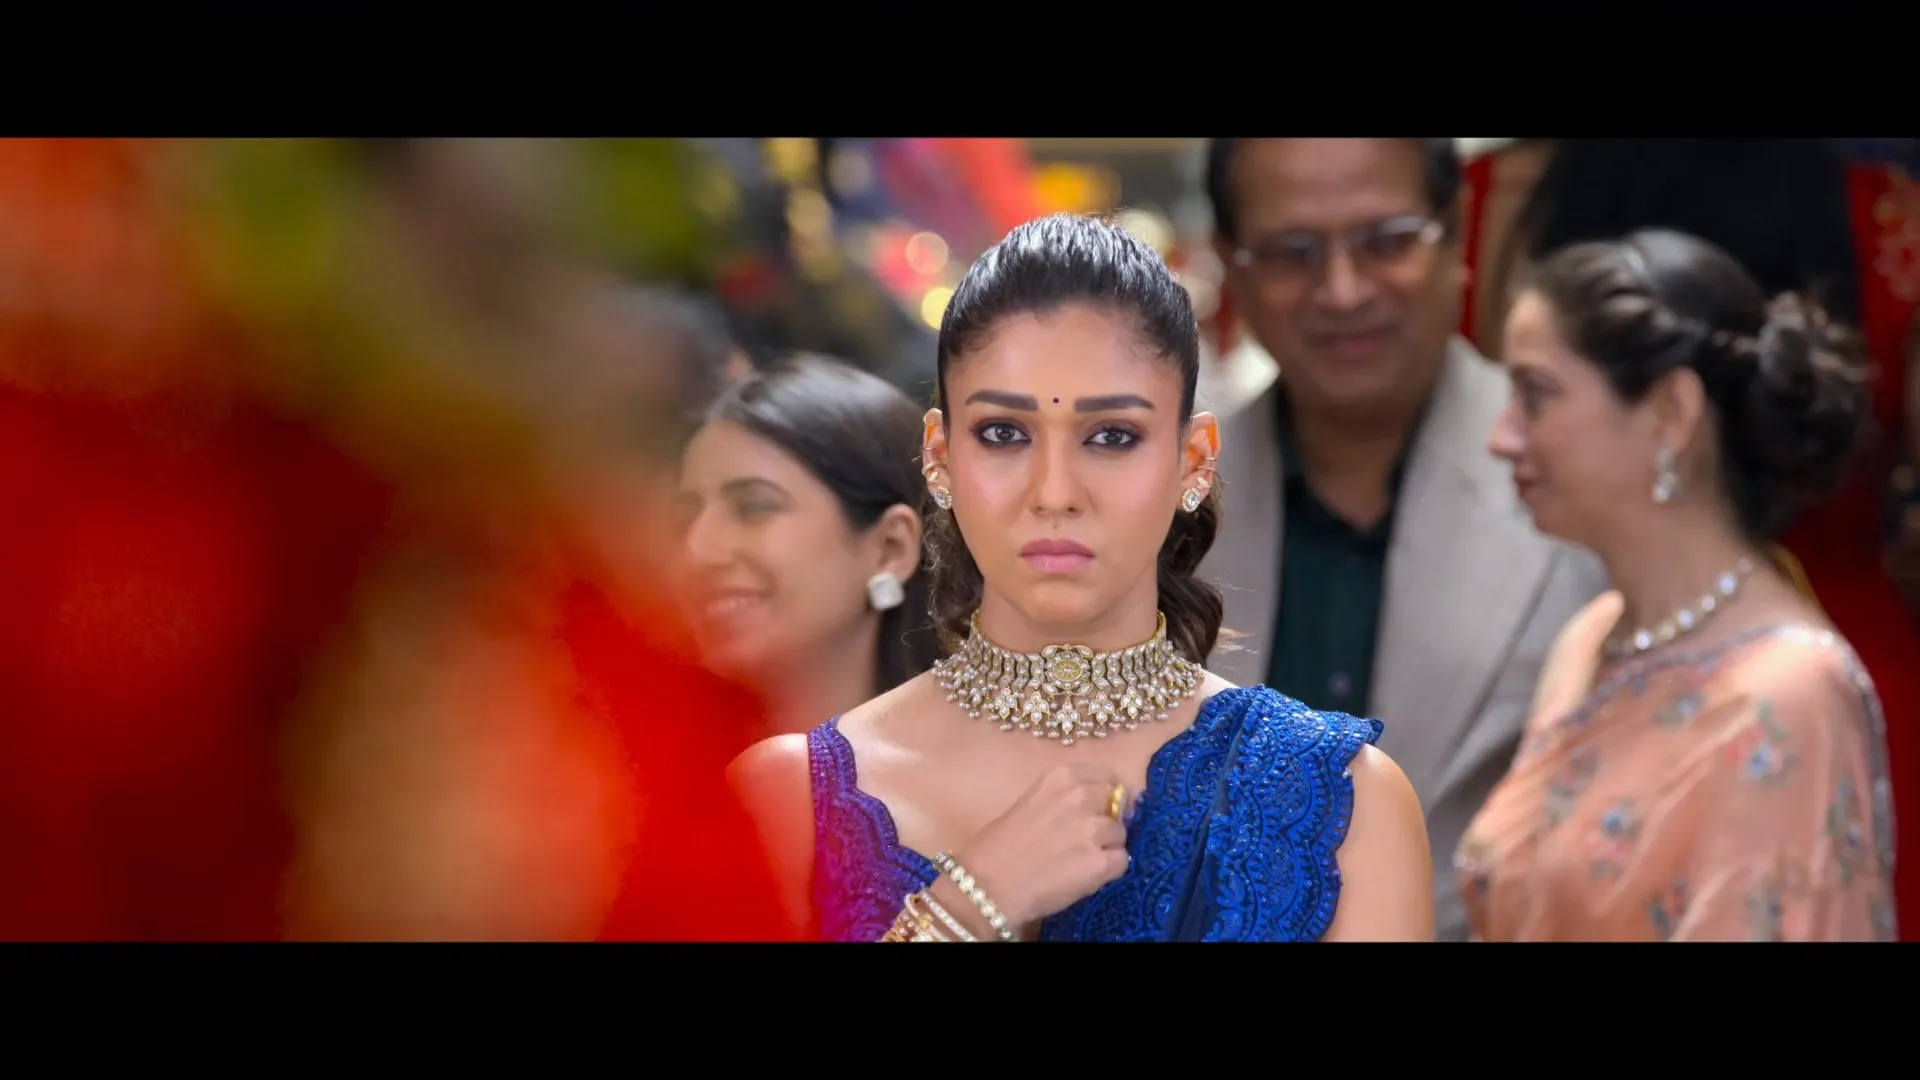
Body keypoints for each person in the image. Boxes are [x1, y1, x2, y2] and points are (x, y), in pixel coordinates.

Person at [729, 212, 1433, 943]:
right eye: (1004, 433)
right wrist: (968, 905)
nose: (1056, 492)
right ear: (940, 456)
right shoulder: (785, 805)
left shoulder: (1344, 804)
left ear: (1193, 461)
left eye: (1112, 436)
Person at [1473, 138, 1920, 936]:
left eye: (1535, 396)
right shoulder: (1592, 640)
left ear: (1670, 414)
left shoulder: (1786, 695)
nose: (1500, 437)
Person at [1200, 137, 1608, 941]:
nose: (1343, 290)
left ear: (1455, 231)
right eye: (1292, 253)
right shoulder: (1160, 506)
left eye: (1387, 241)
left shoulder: (1588, 485)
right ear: (1232, 265)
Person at [676, 355, 942, 736]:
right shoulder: (623, 761)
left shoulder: (992, 765)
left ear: (890, 549)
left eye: (754, 508)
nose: (696, 550)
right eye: (684, 518)